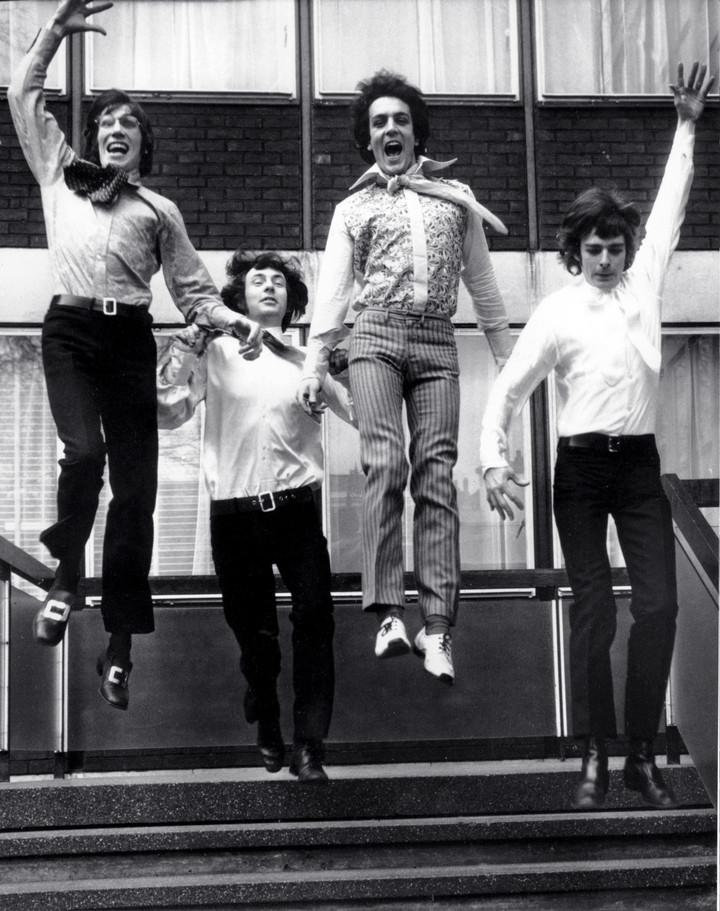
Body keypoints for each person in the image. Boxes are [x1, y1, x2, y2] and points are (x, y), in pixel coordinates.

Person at [8, 0, 262, 711]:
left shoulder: (159, 211)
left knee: (138, 493)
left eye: (130, 125)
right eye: (107, 123)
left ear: (144, 147)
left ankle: (118, 646)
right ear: (93, 140)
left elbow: (193, 291)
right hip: (72, 333)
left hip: (129, 342)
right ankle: (64, 577)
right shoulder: (61, 173)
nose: (116, 129)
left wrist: (231, 322)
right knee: (83, 455)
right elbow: (23, 94)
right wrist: (53, 34)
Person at [480, 63, 714, 809]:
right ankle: (595, 756)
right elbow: (508, 390)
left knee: (660, 608)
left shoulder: (642, 288)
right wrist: (493, 459)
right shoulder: (555, 312)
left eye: (617, 246)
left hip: (639, 468)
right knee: (594, 609)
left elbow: (671, 208)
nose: (608, 259)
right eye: (595, 248)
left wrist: (686, 126)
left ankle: (643, 754)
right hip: (578, 474)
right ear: (574, 250)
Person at [296, 70, 512, 685]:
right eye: (378, 123)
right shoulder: (353, 207)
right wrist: (315, 365)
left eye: (399, 120)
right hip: (374, 337)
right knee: (386, 462)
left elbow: (487, 293)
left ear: (417, 132)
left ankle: (438, 627)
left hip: (438, 341)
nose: (390, 129)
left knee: (436, 476)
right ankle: (389, 613)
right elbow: (334, 295)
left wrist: (511, 370)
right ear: (368, 141)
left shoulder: (457, 199)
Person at [157, 252, 356, 783]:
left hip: (297, 512)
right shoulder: (217, 352)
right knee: (257, 636)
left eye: (278, 282)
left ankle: (310, 747)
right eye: (255, 281)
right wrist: (189, 340)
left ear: (292, 299)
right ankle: (266, 714)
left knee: (316, 619)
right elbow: (166, 409)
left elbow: (359, 411)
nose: (268, 287)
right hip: (235, 515)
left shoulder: (307, 360)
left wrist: (347, 362)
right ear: (238, 298)